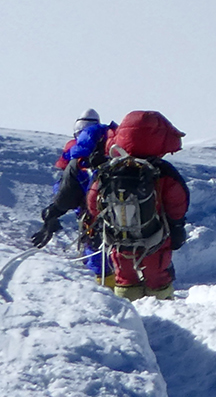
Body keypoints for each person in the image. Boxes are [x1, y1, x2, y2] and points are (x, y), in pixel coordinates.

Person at [81, 110, 190, 301]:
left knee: (124, 276)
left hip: (119, 237)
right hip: (155, 236)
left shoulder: (110, 169)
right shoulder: (160, 170)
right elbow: (177, 202)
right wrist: (177, 227)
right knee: (157, 275)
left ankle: (131, 313)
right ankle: (162, 307)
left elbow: (93, 200)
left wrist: (99, 223)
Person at [32, 108, 109, 249]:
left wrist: (53, 212)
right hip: (120, 215)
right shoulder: (112, 153)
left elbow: (66, 189)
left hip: (91, 216)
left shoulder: (76, 158)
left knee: (95, 252)